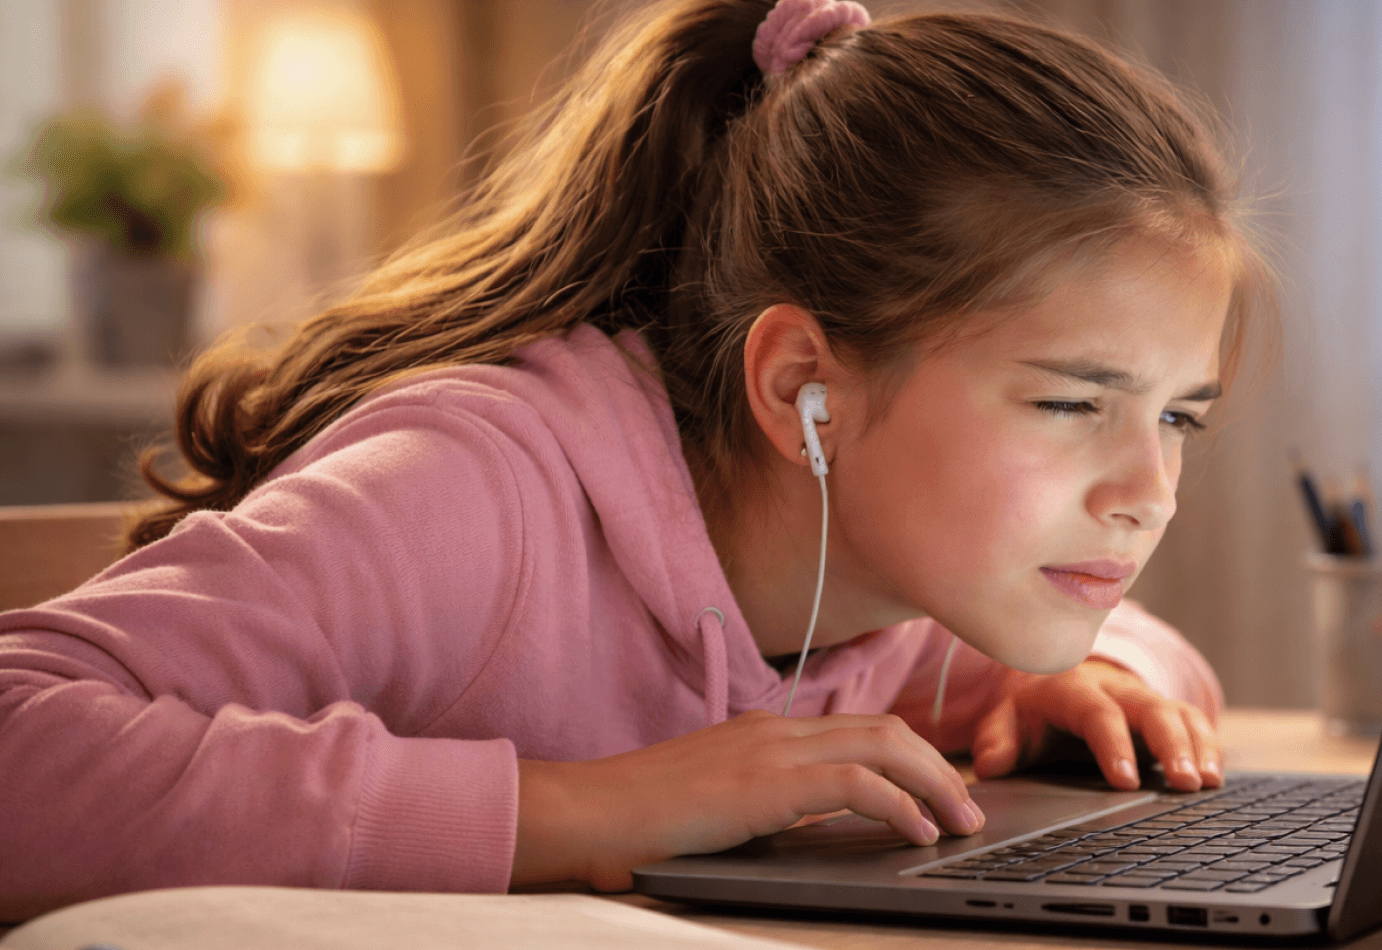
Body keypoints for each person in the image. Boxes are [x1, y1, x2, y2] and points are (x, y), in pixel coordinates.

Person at [0, 0, 1267, 918]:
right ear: (802, 390)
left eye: (1178, 416)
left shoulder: (898, 555)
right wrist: (583, 808)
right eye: (1068, 404)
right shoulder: (475, 495)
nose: (1146, 490)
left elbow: (1130, 645)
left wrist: (1098, 671)